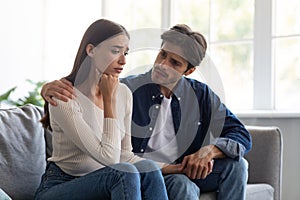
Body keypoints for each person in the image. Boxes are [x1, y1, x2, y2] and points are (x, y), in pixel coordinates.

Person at [41, 23, 252, 200]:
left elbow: (241, 135)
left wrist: (208, 151)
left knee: (238, 165)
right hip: (142, 173)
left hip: (179, 166)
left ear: (189, 71)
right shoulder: (130, 88)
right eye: (162, 55)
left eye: (174, 63)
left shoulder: (200, 94)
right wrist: (46, 89)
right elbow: (93, 90)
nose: (162, 64)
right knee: (178, 184)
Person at [34, 19, 169, 200]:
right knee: (124, 173)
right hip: (61, 185)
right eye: (115, 51)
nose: (123, 61)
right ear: (91, 50)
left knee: (149, 170)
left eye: (125, 53)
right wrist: (109, 100)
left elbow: (124, 155)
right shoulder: (64, 97)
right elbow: (111, 160)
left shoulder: (124, 93)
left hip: (102, 182)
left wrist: (170, 167)